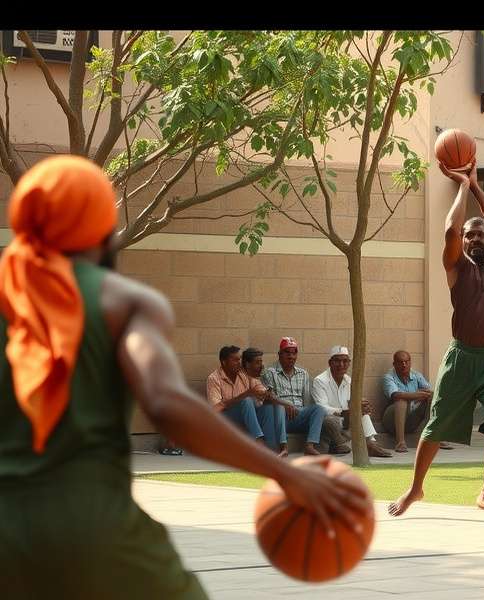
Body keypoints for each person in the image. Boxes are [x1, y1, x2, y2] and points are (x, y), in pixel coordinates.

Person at [0, 156, 368, 599]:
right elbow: (166, 403)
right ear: (102, 227)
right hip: (92, 525)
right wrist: (286, 475)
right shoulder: (126, 302)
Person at [389, 158, 484, 518]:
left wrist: (475, 185)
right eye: (470, 234)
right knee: (436, 426)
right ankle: (416, 489)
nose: (476, 237)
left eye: (481, 233)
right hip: (461, 359)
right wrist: (461, 186)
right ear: (463, 241)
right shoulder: (455, 267)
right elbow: (448, 231)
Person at [312, 345, 393, 458]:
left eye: (345, 361)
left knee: (361, 411)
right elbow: (321, 408)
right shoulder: (320, 381)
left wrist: (362, 405)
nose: (341, 365)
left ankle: (371, 443)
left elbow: (353, 403)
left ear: (349, 363)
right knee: (329, 421)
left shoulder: (349, 380)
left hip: (346, 420)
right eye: (337, 361)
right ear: (330, 362)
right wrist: (344, 411)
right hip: (330, 422)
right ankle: (342, 444)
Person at [253, 340, 329, 456]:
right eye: (287, 353)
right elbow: (268, 397)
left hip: (299, 414)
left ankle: (309, 446)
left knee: (318, 409)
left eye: (294, 353)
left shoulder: (303, 374)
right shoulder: (270, 373)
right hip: (281, 416)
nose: (291, 356)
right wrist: (285, 404)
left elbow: (306, 400)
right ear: (279, 354)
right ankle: (284, 447)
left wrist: (303, 411)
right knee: (279, 408)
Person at [381, 350, 453, 452]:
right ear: (394, 364)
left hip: (412, 420)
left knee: (432, 397)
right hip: (392, 421)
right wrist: (415, 395)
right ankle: (400, 442)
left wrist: (422, 395)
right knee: (401, 401)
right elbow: (396, 395)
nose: (404, 365)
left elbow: (429, 391)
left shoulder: (416, 375)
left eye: (406, 362)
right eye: (400, 362)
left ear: (410, 362)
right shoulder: (388, 377)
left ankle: (434, 438)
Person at [207, 345, 272, 444]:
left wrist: (265, 393)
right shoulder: (214, 378)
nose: (239, 363)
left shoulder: (243, 374)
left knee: (269, 408)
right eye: (235, 360)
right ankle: (259, 440)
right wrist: (244, 395)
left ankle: (271, 446)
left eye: (240, 360)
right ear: (224, 362)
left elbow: (258, 387)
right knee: (246, 401)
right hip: (225, 420)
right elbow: (215, 409)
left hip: (245, 418)